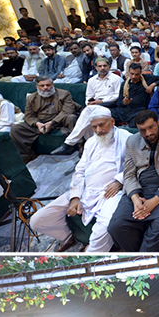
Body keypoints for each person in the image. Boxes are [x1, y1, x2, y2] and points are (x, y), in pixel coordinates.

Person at [28, 106, 128, 251]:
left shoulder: (127, 138)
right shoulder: (91, 142)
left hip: (110, 192)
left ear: (112, 121)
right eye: (94, 127)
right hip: (85, 189)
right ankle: (69, 236)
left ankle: (93, 252)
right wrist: (75, 197)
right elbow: (79, 171)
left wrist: (119, 181)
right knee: (37, 221)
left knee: (107, 225)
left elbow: (137, 165)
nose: (99, 130)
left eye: (102, 124)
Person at [107, 110, 159, 252]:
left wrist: (155, 200)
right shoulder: (132, 141)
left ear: (158, 123)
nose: (148, 133)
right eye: (143, 130)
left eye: (151, 127)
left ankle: (145, 258)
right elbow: (128, 174)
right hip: (139, 188)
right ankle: (140, 255)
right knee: (116, 226)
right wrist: (136, 199)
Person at [52, 59, 123, 156]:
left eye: (105, 66)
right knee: (89, 113)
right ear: (96, 67)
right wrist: (90, 103)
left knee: (88, 112)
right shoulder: (92, 80)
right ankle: (91, 148)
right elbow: (88, 96)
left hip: (110, 105)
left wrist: (101, 101)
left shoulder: (116, 79)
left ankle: (69, 143)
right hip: (94, 106)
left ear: (109, 66)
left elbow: (117, 96)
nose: (102, 68)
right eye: (100, 66)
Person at [10, 77, 78, 162]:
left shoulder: (64, 94)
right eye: (42, 86)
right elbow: (28, 115)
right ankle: (26, 157)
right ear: (37, 87)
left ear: (53, 85)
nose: (45, 88)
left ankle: (79, 147)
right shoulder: (31, 97)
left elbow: (68, 111)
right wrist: (37, 124)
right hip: (40, 123)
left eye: (48, 85)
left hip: (60, 122)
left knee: (71, 118)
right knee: (16, 129)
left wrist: (52, 122)